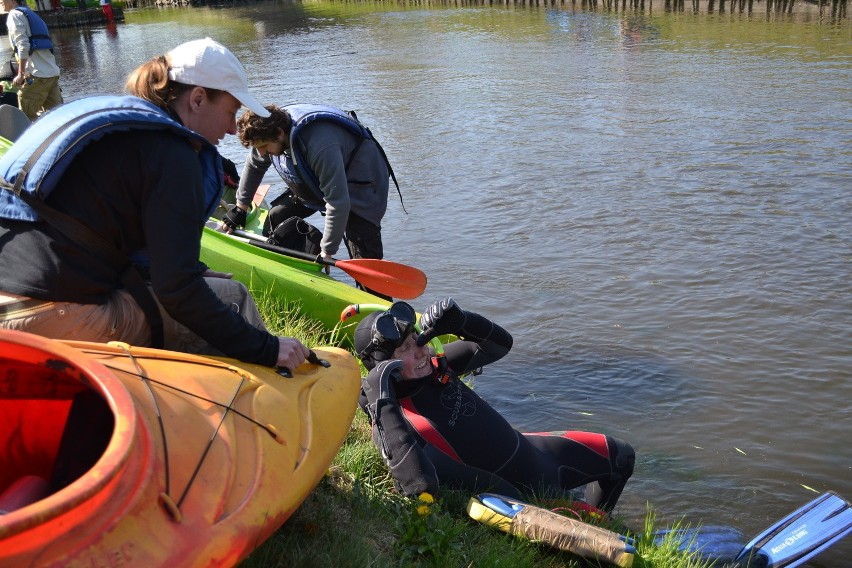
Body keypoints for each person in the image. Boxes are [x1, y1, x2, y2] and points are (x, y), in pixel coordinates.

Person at [0, 37, 308, 372]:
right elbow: (177, 291)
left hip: (10, 300)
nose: (233, 128)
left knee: (207, 292)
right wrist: (265, 348)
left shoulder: (111, 122)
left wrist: (192, 272)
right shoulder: (174, 155)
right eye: (231, 112)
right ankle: (260, 408)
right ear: (198, 99)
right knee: (232, 298)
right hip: (49, 317)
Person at [354, 298, 636, 512]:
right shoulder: (393, 420)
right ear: (383, 366)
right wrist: (383, 402)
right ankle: (592, 525)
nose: (421, 352)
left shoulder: (436, 369)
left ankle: (600, 515)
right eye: (405, 349)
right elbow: (420, 487)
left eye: (417, 340)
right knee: (599, 524)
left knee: (622, 457)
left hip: (537, 452)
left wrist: (463, 321)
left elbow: (499, 345)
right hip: (525, 492)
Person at [221, 104, 402, 271]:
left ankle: (378, 303)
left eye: (264, 147)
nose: (261, 153)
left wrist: (327, 251)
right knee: (277, 216)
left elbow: (338, 202)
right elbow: (254, 165)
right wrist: (240, 207)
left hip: (360, 186)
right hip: (316, 181)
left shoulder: (320, 146)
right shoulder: (268, 133)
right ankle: (292, 271)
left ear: (279, 133)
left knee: (361, 257)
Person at [2, 0, 62, 121]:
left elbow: (23, 46)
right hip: (51, 74)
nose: (1, 2)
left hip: (37, 75)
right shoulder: (30, 14)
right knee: (58, 117)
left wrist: (20, 74)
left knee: (25, 116)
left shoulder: (14, 15)